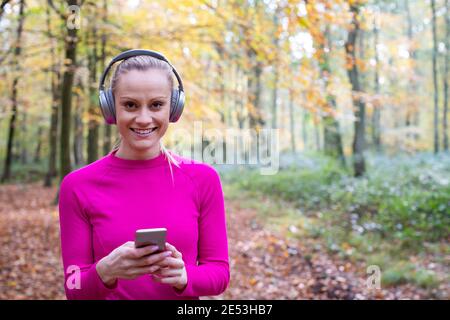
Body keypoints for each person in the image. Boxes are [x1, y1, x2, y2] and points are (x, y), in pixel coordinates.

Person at [58, 49, 230, 300]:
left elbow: (219, 273)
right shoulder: (77, 186)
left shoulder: (203, 180)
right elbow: (73, 286)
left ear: (173, 108)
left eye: (156, 105)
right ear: (110, 108)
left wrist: (185, 277)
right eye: (130, 105)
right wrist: (105, 271)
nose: (143, 118)